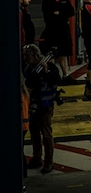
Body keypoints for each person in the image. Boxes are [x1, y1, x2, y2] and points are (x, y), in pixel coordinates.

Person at [22, 43, 61, 174]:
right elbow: (28, 83)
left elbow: (56, 79)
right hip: (33, 104)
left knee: (46, 134)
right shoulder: (29, 68)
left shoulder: (48, 66)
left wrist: (46, 71)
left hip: (45, 104)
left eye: (27, 56)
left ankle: (49, 161)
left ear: (34, 55)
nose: (25, 59)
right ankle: (37, 157)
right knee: (34, 133)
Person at [40, 0, 75, 81]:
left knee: (63, 53)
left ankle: (65, 75)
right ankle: (52, 75)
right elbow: (49, 18)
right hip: (52, 32)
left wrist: (59, 13)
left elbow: (71, 11)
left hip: (63, 30)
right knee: (52, 53)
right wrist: (62, 14)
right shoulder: (46, 2)